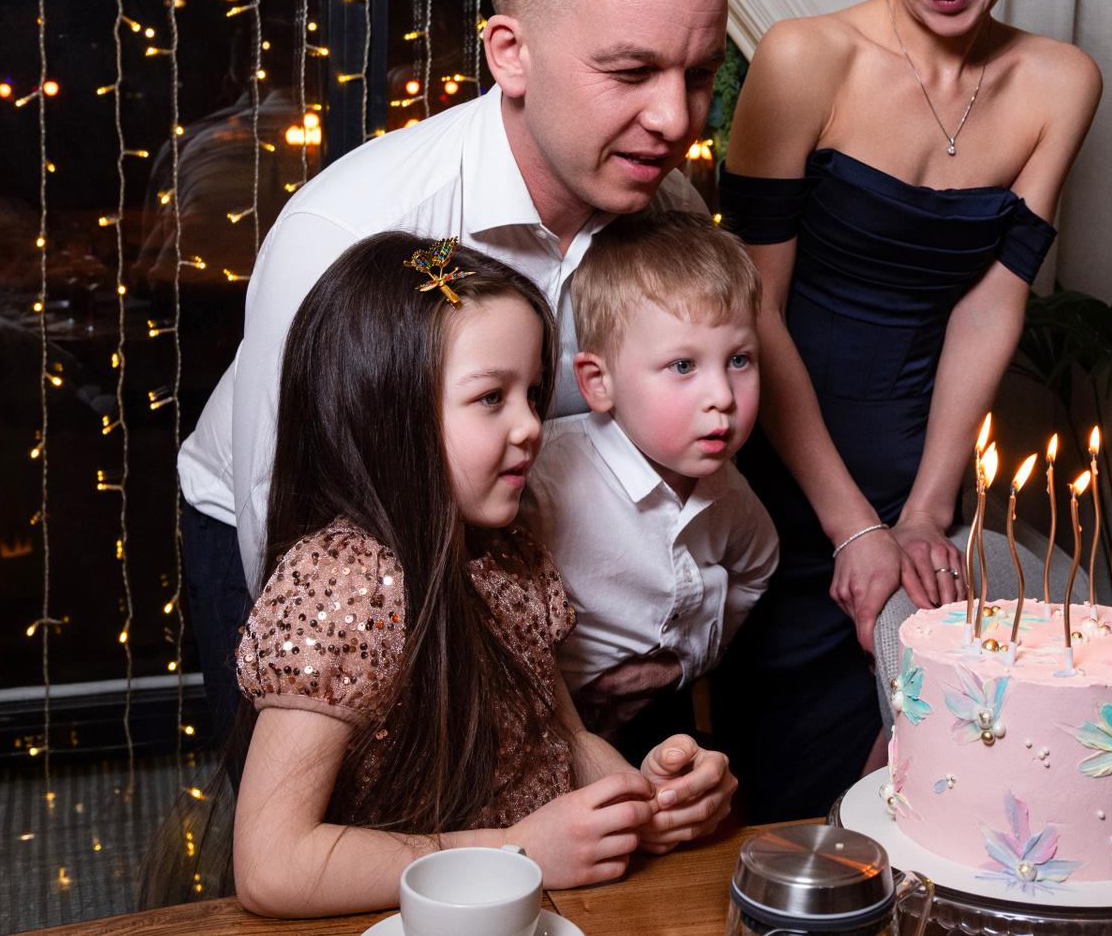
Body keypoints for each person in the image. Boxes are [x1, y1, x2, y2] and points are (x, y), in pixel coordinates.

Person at [176, 0, 729, 749]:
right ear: (510, 53)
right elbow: (291, 536)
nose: (676, 118)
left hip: (534, 560)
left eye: (699, 75)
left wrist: (666, 654)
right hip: (320, 561)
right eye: (632, 71)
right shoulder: (346, 232)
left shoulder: (675, 218)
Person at [711, 0, 1103, 820]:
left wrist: (927, 510)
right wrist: (852, 527)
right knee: (785, 802)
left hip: (925, 468)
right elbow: (751, 309)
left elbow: (990, 300)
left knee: (931, 789)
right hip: (783, 474)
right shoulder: (805, 60)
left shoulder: (1061, 83)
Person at [231, 233, 736, 916]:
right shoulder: (347, 581)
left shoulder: (507, 553)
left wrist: (644, 802)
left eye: (533, 392)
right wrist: (514, 853)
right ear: (389, 411)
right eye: (492, 397)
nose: (531, 426)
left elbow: (566, 740)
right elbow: (272, 866)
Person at [523, 212, 778, 764]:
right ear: (599, 383)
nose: (722, 396)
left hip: (660, 710)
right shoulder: (545, 483)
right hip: (538, 727)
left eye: (739, 360)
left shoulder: (731, 494)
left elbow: (757, 568)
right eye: (683, 365)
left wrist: (683, 663)